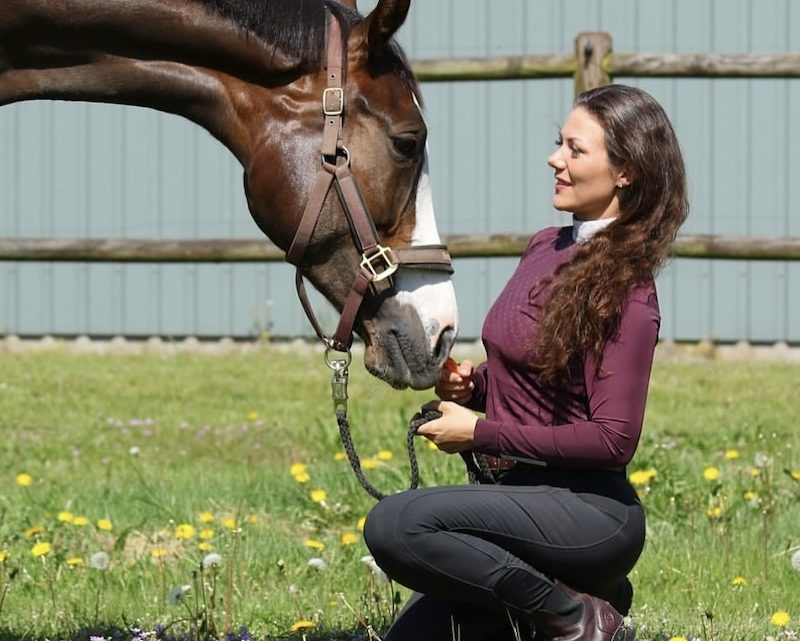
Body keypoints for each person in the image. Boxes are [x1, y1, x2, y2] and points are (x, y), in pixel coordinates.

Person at [363, 84, 689, 641]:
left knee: (396, 524)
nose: (554, 159)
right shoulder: (546, 246)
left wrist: (482, 432)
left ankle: (577, 618)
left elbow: (613, 439)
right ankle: (570, 599)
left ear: (626, 171)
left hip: (588, 514)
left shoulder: (629, 290)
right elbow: (541, 383)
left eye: (574, 150)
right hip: (519, 504)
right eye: (557, 144)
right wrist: (477, 387)